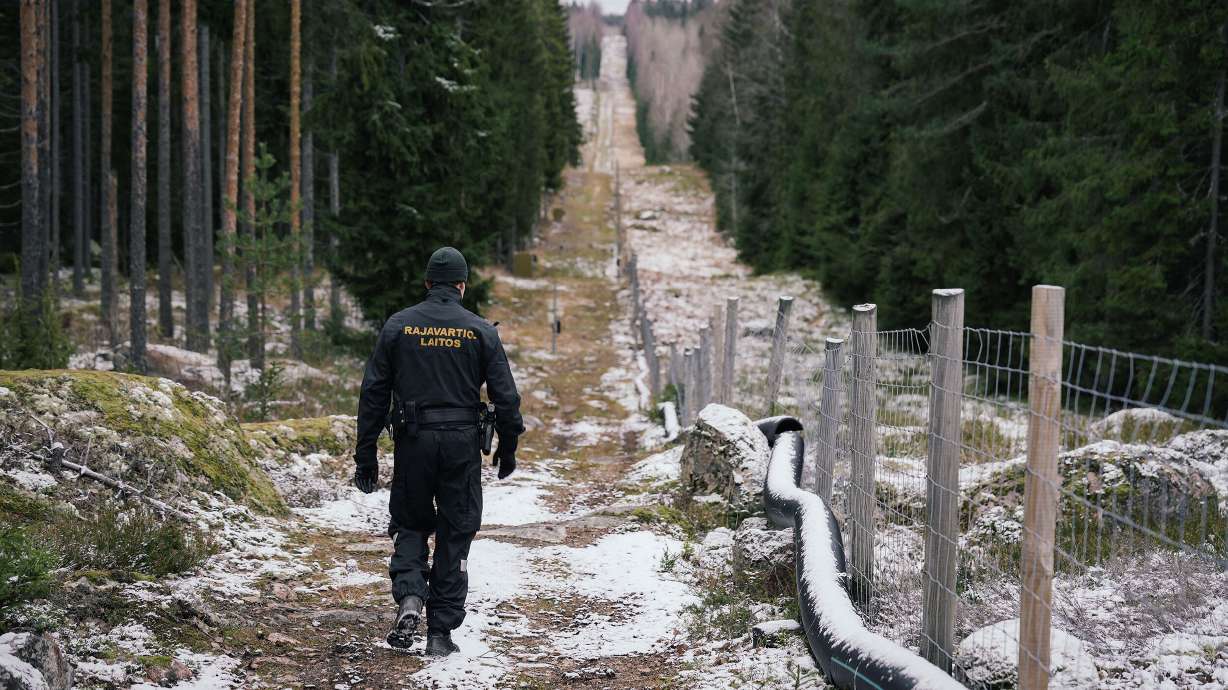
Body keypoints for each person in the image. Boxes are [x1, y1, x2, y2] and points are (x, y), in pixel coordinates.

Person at [352, 246, 523, 657]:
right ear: (462, 285)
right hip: (462, 445)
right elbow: (506, 398)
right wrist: (508, 447)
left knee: (410, 523)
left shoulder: (399, 326)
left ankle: (410, 596)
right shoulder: (480, 330)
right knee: (455, 530)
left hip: (413, 442)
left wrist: (366, 453)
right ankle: (440, 632)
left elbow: (373, 393)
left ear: (428, 283)